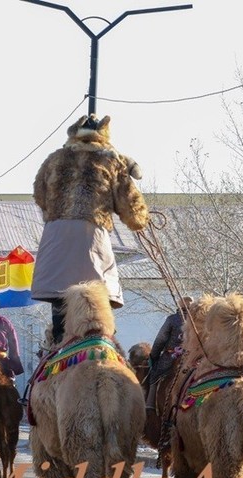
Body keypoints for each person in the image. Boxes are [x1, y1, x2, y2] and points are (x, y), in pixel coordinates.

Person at [30, 114, 150, 346]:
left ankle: (59, 347)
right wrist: (141, 219)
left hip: (56, 239)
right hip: (90, 237)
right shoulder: (112, 160)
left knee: (60, 303)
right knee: (97, 303)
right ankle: (102, 345)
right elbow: (132, 210)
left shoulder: (54, 159)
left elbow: (40, 195)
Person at [144, 296, 192, 412]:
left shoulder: (172, 319)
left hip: (170, 357)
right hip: (192, 358)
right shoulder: (198, 320)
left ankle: (150, 405)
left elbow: (160, 340)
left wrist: (153, 356)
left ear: (179, 306)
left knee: (154, 375)